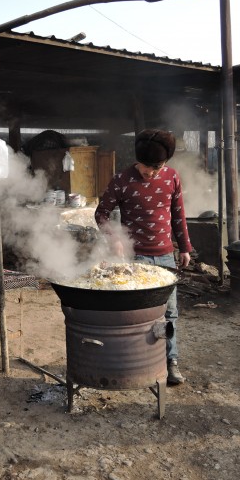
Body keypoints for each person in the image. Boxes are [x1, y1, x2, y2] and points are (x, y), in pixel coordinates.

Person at [94, 129, 192, 385]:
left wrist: (185, 248)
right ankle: (137, 363)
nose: (151, 173)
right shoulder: (122, 180)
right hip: (136, 259)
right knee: (137, 315)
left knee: (169, 314)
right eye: (147, 167)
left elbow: (178, 215)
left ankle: (170, 362)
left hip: (166, 259)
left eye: (157, 168)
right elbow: (101, 214)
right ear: (136, 160)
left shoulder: (172, 177)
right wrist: (114, 238)